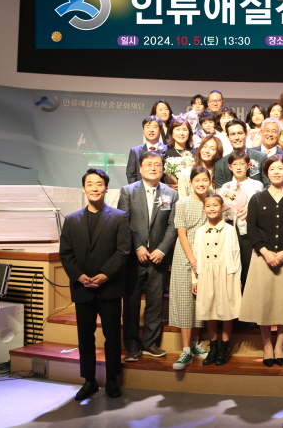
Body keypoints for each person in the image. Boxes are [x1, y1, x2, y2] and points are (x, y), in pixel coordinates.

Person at [59, 168, 130, 400]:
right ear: (84, 189)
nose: (94, 188)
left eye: (99, 184)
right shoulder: (71, 220)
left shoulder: (119, 217)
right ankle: (89, 380)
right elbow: (65, 253)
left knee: (112, 336)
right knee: (85, 337)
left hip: (109, 287)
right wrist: (78, 276)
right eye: (90, 184)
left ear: (106, 188)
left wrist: (104, 275)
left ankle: (112, 380)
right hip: (82, 288)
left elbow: (123, 250)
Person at [239, 155, 283, 366]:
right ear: (266, 173)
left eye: (280, 168)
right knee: (264, 303)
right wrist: (266, 252)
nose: (276, 172)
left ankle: (280, 346)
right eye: (272, 169)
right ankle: (267, 345)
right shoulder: (257, 199)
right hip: (262, 258)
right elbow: (252, 229)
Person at [118, 151, 178, 363]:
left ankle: (150, 343)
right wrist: (137, 247)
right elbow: (123, 222)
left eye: (157, 164)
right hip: (134, 258)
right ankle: (132, 346)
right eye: (149, 164)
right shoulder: (128, 191)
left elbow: (172, 225)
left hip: (158, 258)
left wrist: (162, 250)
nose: (153, 168)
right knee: (131, 303)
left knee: (155, 303)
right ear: (140, 168)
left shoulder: (170, 194)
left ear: (162, 169)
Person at [192, 194, 242, 366]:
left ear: (222, 208)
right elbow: (196, 256)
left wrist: (237, 278)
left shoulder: (229, 229)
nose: (211, 208)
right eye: (208, 206)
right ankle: (213, 347)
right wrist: (194, 279)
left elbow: (236, 255)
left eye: (215, 205)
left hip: (226, 273)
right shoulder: (200, 231)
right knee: (210, 312)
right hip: (206, 273)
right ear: (204, 209)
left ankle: (224, 347)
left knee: (227, 312)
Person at [170, 166, 212, 370]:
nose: (201, 184)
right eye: (197, 180)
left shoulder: (211, 203)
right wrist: (193, 261)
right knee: (185, 301)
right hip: (184, 257)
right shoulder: (182, 204)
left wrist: (201, 261)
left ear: (210, 182)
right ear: (190, 183)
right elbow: (182, 234)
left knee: (199, 303)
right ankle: (185, 350)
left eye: (205, 180)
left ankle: (195, 344)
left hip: (206, 255)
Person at [219, 150, 264, 287]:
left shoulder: (257, 185)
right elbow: (223, 210)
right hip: (230, 228)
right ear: (229, 167)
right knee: (231, 263)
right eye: (235, 164)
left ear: (249, 165)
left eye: (242, 164)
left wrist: (250, 209)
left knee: (247, 263)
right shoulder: (226, 187)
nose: (238, 167)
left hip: (248, 230)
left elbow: (260, 209)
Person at [214, 119, 268, 188]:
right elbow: (219, 190)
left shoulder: (261, 157)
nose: (237, 137)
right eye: (232, 134)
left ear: (246, 134)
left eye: (240, 133)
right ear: (228, 137)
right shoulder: (220, 164)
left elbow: (268, 186)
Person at [178, 134, 222, 199]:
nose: (207, 151)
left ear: (217, 153)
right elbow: (182, 199)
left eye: (212, 149)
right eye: (204, 147)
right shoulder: (186, 173)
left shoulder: (220, 173)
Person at [127, 115, 167, 184]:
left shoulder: (168, 149)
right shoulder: (135, 151)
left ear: (160, 130)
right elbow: (131, 175)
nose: (151, 130)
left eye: (154, 127)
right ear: (143, 130)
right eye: (148, 127)